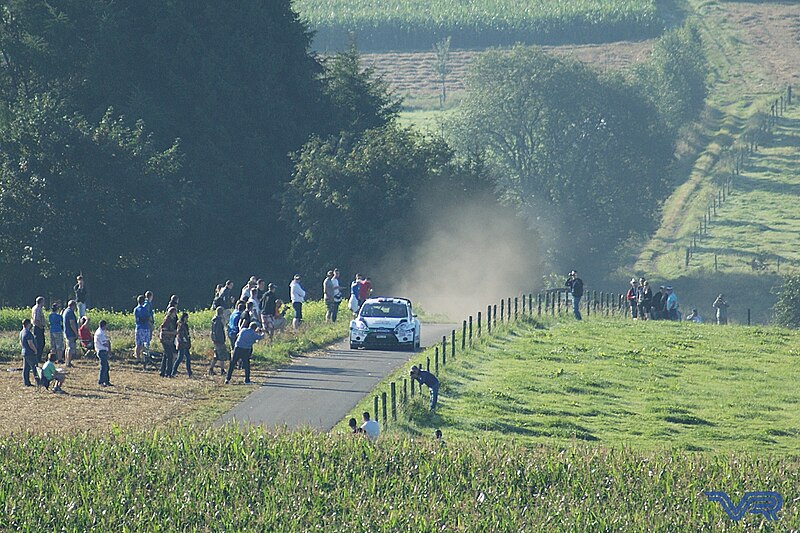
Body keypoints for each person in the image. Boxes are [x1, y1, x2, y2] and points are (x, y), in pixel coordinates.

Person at [171, 312, 192, 378]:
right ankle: (173, 372)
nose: (187, 319)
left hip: (185, 344)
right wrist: (184, 339)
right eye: (186, 317)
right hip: (182, 344)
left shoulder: (185, 325)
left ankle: (189, 373)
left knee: (187, 358)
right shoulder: (181, 325)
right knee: (180, 358)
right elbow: (180, 334)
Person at [159, 307, 178, 378]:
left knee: (165, 356)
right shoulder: (167, 320)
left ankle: (162, 372)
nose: (175, 314)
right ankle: (168, 373)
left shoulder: (172, 320)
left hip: (170, 340)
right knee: (170, 356)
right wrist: (172, 333)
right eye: (174, 313)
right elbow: (163, 331)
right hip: (166, 340)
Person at [20, 319, 39, 387]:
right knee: (35, 368)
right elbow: (30, 343)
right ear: (28, 324)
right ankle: (38, 382)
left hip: (25, 352)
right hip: (30, 353)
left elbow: (21, 342)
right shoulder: (27, 333)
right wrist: (35, 350)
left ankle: (26, 382)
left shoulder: (22, 332)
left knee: (26, 368)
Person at [209, 306, 228, 375]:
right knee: (221, 355)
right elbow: (219, 332)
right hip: (219, 341)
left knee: (216, 356)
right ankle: (222, 370)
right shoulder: (219, 321)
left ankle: (211, 369)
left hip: (215, 340)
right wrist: (222, 340)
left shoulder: (214, 320)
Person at [94, 319, 112, 387]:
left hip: (102, 351)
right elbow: (104, 343)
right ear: (104, 325)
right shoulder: (100, 333)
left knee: (106, 367)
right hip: (102, 351)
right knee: (104, 367)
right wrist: (109, 345)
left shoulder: (100, 332)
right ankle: (101, 381)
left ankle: (106, 381)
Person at [134, 295, 151, 363]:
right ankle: (145, 358)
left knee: (138, 344)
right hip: (145, 328)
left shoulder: (136, 309)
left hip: (138, 328)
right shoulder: (145, 309)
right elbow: (149, 318)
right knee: (146, 343)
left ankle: (138, 358)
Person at [62, 300, 79, 368]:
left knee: (67, 348)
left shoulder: (65, 311)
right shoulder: (70, 313)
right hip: (70, 333)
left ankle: (67, 361)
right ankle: (68, 362)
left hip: (66, 332)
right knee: (70, 348)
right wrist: (76, 333)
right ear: (73, 306)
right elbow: (72, 323)